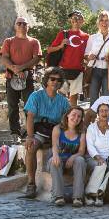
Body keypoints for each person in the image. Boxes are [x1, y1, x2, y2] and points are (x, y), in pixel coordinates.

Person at [24, 67, 70, 199]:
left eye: (58, 80)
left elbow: (66, 120)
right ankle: (31, 183)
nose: (55, 82)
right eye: (52, 79)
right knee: (31, 148)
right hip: (39, 130)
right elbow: (30, 117)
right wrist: (30, 136)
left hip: (55, 131)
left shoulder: (63, 101)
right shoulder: (36, 96)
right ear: (47, 80)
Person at [0, 16, 42, 139]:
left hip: (28, 77)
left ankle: (30, 131)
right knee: (12, 105)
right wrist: (15, 70)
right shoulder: (8, 41)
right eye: (19, 23)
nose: (22, 25)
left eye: (24, 24)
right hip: (11, 75)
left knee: (29, 106)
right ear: (15, 26)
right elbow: (4, 57)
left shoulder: (34, 42)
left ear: (28, 26)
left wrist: (22, 68)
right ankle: (15, 131)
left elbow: (36, 58)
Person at [47, 10, 89, 107]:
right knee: (60, 96)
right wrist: (60, 46)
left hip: (78, 71)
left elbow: (87, 54)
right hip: (62, 70)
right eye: (73, 18)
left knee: (74, 98)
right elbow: (49, 50)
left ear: (82, 21)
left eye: (78, 18)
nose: (75, 20)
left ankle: (73, 119)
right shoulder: (63, 34)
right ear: (70, 20)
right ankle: (60, 120)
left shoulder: (86, 37)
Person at [49, 106, 86, 207]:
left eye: (79, 116)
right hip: (59, 158)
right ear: (68, 115)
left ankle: (77, 197)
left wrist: (73, 157)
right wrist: (55, 154)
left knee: (80, 160)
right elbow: (55, 145)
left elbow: (82, 151)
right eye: (73, 114)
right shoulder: (57, 129)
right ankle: (58, 196)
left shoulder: (81, 132)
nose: (76, 118)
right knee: (54, 161)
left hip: (72, 160)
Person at [85, 103, 109, 206]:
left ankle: (99, 192)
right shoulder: (91, 128)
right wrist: (98, 157)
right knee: (102, 165)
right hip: (93, 157)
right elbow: (90, 146)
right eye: (101, 111)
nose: (104, 113)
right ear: (98, 114)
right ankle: (90, 193)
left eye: (106, 110)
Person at [83, 10, 109, 104]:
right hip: (94, 70)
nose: (104, 23)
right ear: (98, 22)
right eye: (102, 20)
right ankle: (92, 118)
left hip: (108, 71)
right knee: (93, 98)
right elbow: (86, 55)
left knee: (106, 98)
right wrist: (90, 57)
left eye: (106, 20)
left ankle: (104, 118)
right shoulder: (92, 37)